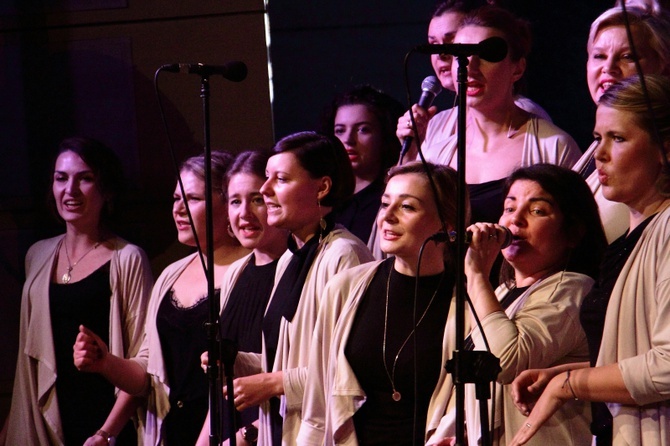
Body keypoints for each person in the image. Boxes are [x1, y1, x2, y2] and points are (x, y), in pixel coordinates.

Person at [508, 75, 670, 446]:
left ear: (665, 148)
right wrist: (566, 374)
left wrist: (570, 385)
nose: (599, 154)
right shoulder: (628, 242)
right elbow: (636, 356)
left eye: (619, 138)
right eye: (598, 138)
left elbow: (666, 366)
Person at [73, 150, 249, 445]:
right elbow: (148, 375)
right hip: (172, 432)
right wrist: (106, 363)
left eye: (192, 199)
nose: (178, 209)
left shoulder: (250, 270)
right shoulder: (171, 274)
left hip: (227, 432)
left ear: (227, 202)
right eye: (175, 199)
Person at [427, 164, 607, 446]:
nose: (516, 220)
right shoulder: (500, 293)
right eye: (509, 208)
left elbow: (505, 361)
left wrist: (475, 275)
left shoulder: (573, 289)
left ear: (573, 232)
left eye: (537, 211)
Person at [221, 131, 373, 446]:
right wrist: (237, 361)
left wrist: (273, 384)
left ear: (322, 187)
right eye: (266, 178)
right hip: (282, 431)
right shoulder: (291, 256)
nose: (264, 190)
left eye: (280, 179)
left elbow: (351, 370)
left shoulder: (346, 255)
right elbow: (289, 356)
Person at [298, 162, 463, 446]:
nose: (387, 216)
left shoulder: (467, 301)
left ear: (446, 225)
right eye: (385, 203)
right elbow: (318, 400)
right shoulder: (345, 287)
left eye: (407, 207)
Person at [3, 137, 153, 446]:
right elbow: (29, 361)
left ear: (107, 190)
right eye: (61, 178)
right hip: (48, 422)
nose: (69, 190)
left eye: (85, 178)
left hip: (105, 426)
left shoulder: (127, 258)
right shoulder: (38, 255)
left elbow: (144, 361)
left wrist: (105, 434)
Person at [396, 5, 581, 225]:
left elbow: (576, 231)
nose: (470, 67)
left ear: (517, 68)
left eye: (485, 55)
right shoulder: (437, 148)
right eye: (460, 56)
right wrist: (410, 155)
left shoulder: (553, 147)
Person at [194, 149, 289, 445]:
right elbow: (223, 389)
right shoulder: (236, 273)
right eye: (235, 201)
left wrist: (248, 435)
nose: (244, 213)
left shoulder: (297, 270)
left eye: (256, 199)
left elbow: (303, 375)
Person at [571, 5, 670, 242]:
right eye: (599, 56)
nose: (608, 68)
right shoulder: (591, 152)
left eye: (628, 56)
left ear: (664, 66)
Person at [321, 85, 404, 243]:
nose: (348, 140)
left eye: (363, 130)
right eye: (340, 130)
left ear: (384, 135)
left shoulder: (391, 200)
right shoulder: (324, 198)